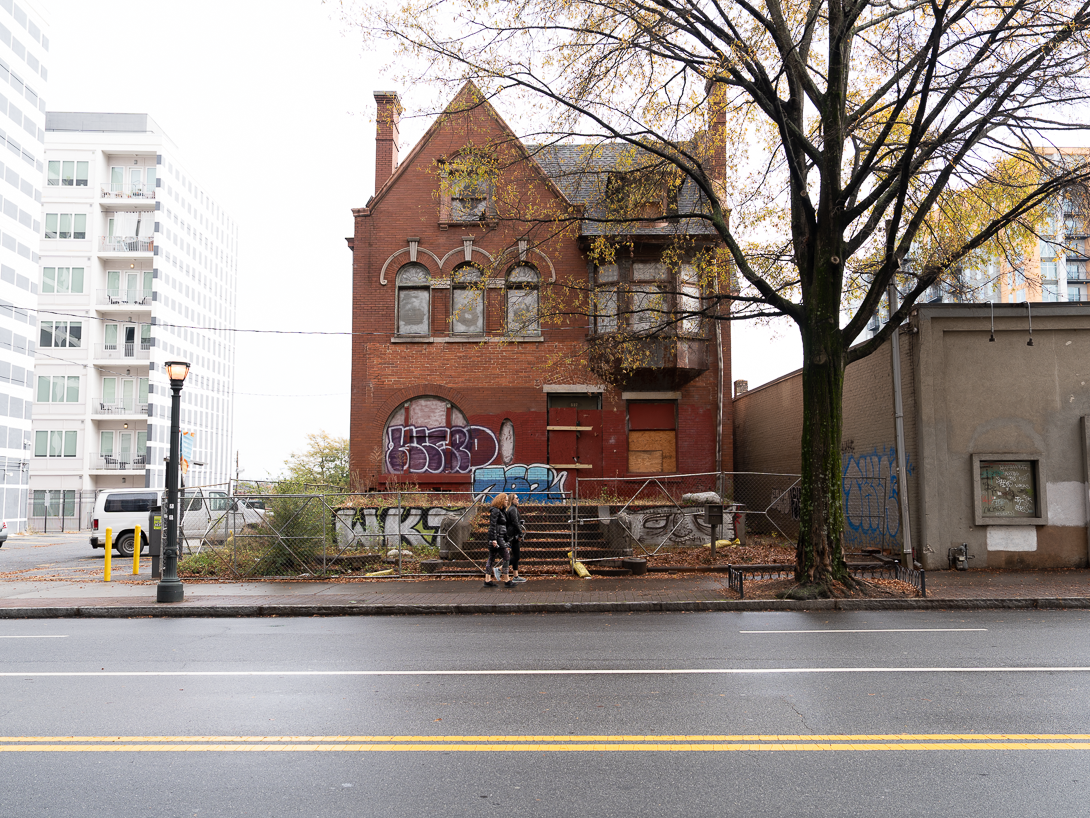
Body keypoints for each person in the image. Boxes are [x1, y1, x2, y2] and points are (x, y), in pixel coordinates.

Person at [484, 492, 513, 588]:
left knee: (492, 558)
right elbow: (493, 525)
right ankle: (507, 580)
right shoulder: (496, 511)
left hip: (498, 537)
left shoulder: (501, 511)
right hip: (497, 538)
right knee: (506, 557)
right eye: (505, 500)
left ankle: (487, 580)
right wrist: (494, 539)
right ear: (501, 501)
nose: (507, 502)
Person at [505, 493, 527, 583]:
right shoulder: (513, 509)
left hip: (511, 534)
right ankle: (499, 569)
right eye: (516, 498)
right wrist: (520, 534)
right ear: (512, 500)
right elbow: (515, 523)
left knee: (515, 555)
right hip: (514, 535)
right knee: (517, 556)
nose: (518, 499)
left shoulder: (510, 509)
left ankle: (515, 576)